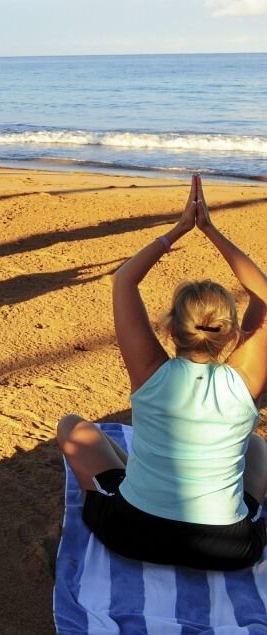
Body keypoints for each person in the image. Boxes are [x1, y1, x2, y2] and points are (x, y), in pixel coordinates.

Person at [58, 174, 267, 571]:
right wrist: (213, 231)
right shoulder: (245, 383)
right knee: (257, 447)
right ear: (232, 334)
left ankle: (121, 480)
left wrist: (180, 229)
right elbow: (265, 292)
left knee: (72, 427)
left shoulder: (151, 372)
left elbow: (124, 281)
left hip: (135, 534)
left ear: (171, 328)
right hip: (229, 549)